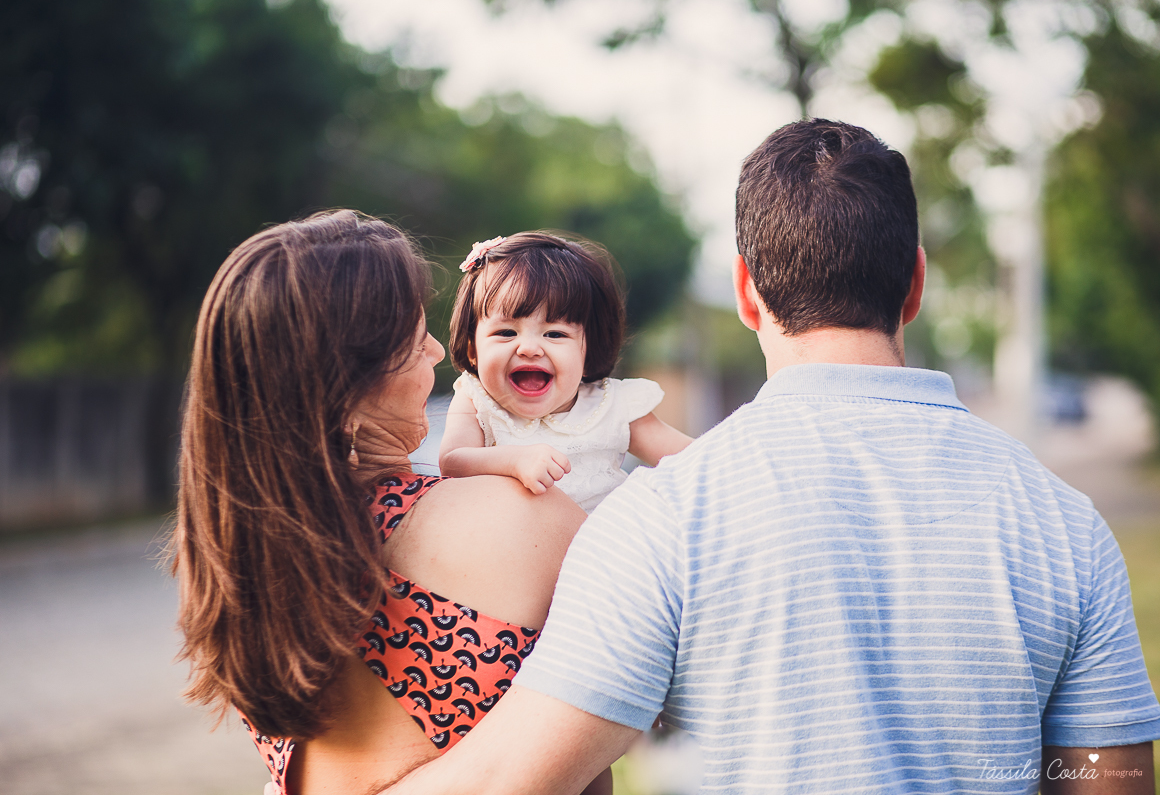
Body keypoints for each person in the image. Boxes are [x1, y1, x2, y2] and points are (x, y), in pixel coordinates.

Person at [383, 120, 1160, 794]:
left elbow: (503, 780)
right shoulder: (1065, 522)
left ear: (747, 290)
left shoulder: (664, 517)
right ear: (914, 283)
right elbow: (1107, 779)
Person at [168, 211, 610, 794]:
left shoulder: (250, 565)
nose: (434, 350)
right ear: (344, 389)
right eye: (411, 336)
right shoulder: (517, 516)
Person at [439, 231, 691, 512]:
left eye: (555, 334)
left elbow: (698, 459)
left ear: (588, 348)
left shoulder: (615, 406)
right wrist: (514, 461)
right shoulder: (476, 400)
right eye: (507, 332)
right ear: (473, 349)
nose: (529, 348)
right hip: (511, 551)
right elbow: (453, 462)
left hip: (605, 548)